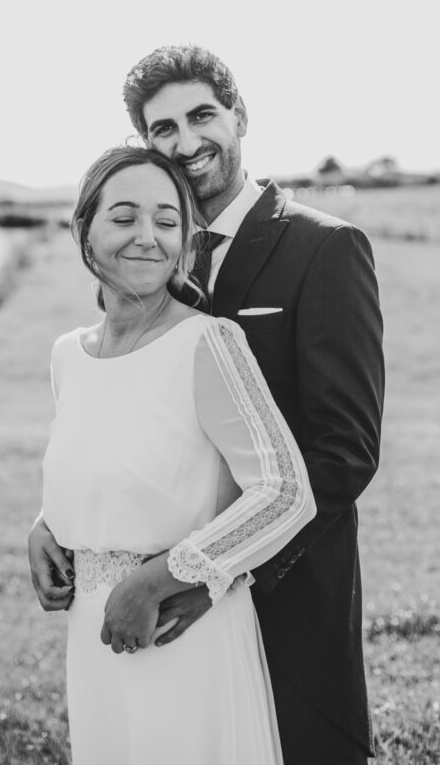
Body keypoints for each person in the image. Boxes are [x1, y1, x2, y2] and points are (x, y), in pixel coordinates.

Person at [30, 45, 385, 765]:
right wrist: (54, 519)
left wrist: (212, 573)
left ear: (239, 117)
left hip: (288, 580)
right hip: (143, 596)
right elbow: (132, 419)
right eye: (162, 129)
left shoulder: (324, 248)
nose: (186, 143)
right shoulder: (150, 247)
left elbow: (343, 451)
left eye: (201, 116)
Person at [36, 144, 316, 765]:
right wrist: (45, 524)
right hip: (94, 635)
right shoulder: (67, 356)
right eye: (124, 217)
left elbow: (285, 491)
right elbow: (103, 458)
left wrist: (161, 579)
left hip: (180, 633)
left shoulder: (208, 343)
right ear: (85, 229)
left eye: (167, 222)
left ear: (186, 243)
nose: (147, 238)